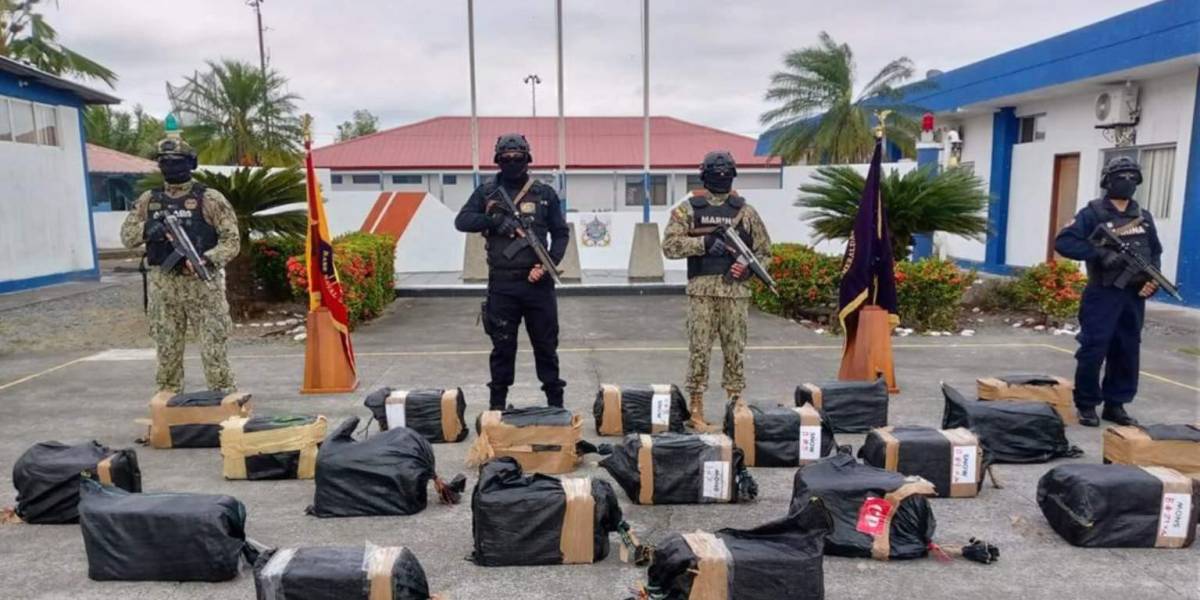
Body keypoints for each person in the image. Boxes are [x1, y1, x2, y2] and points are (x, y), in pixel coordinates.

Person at [455, 134, 569, 410]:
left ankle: (556, 407)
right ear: (498, 160)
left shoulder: (544, 194)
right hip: (503, 285)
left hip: (538, 285)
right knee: (503, 349)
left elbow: (561, 233)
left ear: (527, 159)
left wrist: (546, 265)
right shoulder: (486, 193)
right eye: (506, 159)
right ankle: (497, 408)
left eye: (518, 158)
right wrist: (496, 222)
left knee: (546, 347)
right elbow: (463, 220)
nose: (512, 163)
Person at [120, 135, 240, 393]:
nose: (170, 167)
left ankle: (224, 405)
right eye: (164, 162)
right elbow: (127, 237)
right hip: (164, 290)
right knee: (167, 353)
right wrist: (146, 228)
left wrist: (208, 259)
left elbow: (232, 241)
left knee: (214, 353)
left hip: (202, 289)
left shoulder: (210, 198)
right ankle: (168, 408)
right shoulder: (148, 201)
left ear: (190, 163)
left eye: (177, 161)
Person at [662, 151, 772, 431]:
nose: (721, 177)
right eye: (717, 173)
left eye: (726, 173)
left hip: (735, 293)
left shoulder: (745, 212)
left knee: (735, 349)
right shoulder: (689, 209)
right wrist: (704, 244)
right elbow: (670, 245)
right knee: (699, 350)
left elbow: (764, 252)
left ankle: (735, 403)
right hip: (702, 292)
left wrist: (747, 269)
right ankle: (696, 406)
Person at [1054, 156, 1162, 427]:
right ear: (1107, 180)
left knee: (1127, 349)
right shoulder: (1092, 213)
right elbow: (1065, 242)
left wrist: (1152, 281)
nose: (1126, 182)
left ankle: (1116, 404)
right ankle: (1087, 404)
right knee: (1094, 347)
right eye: (1120, 177)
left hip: (1133, 295)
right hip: (1102, 293)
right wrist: (1099, 253)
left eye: (1131, 177)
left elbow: (1154, 253)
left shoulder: (1143, 217)